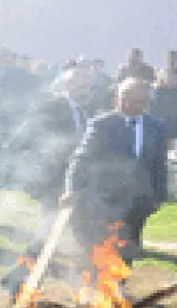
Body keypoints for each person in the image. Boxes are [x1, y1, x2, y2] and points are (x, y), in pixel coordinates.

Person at [63, 77, 167, 262]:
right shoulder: (101, 124)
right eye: (125, 98)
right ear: (116, 98)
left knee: (129, 245)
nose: (129, 104)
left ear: (146, 102)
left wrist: (159, 195)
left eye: (137, 100)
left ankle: (118, 285)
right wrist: (72, 189)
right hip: (106, 198)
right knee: (103, 245)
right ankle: (97, 284)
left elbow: (159, 164)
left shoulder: (155, 126)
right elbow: (81, 159)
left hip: (139, 199)